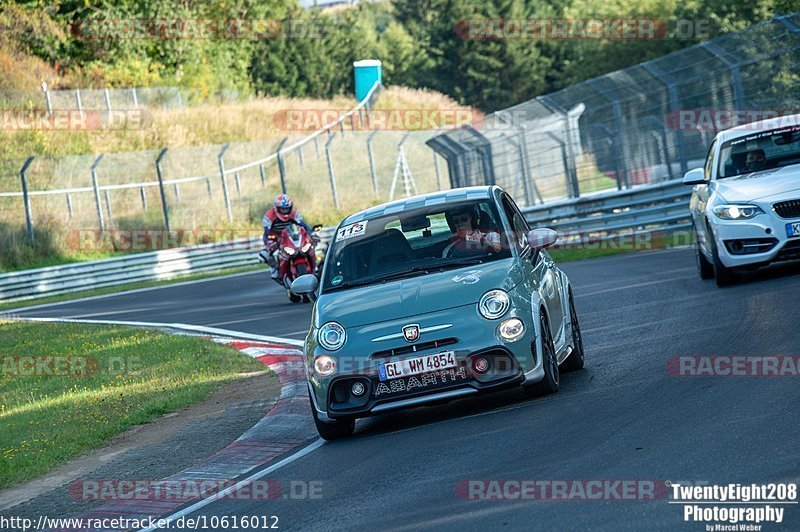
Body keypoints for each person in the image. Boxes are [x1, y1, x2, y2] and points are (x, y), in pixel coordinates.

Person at [258, 194, 312, 281]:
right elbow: (267, 232)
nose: (285, 211)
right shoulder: (269, 216)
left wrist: (310, 233)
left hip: (291, 237)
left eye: (287, 208)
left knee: (309, 245)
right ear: (277, 208)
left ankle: (315, 266)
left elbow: (303, 225)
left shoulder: (294, 213)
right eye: (283, 209)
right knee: (264, 255)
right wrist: (271, 241)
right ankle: (274, 267)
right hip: (274, 238)